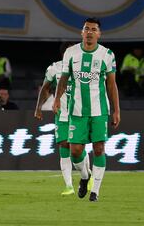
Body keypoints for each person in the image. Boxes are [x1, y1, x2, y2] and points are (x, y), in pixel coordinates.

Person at [53, 17, 120, 202]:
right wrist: (57, 99)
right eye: (86, 29)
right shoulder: (71, 53)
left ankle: (95, 192)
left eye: (93, 29)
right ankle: (85, 176)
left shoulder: (107, 55)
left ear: (99, 34)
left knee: (99, 148)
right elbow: (64, 79)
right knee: (75, 151)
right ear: (81, 32)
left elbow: (112, 85)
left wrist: (116, 110)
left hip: (99, 111)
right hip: (77, 111)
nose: (89, 32)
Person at [35, 42, 93, 196]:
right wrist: (38, 107)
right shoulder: (54, 68)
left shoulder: (85, 68)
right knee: (64, 146)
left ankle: (86, 175)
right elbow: (45, 88)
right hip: (62, 115)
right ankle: (68, 186)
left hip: (80, 114)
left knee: (77, 148)